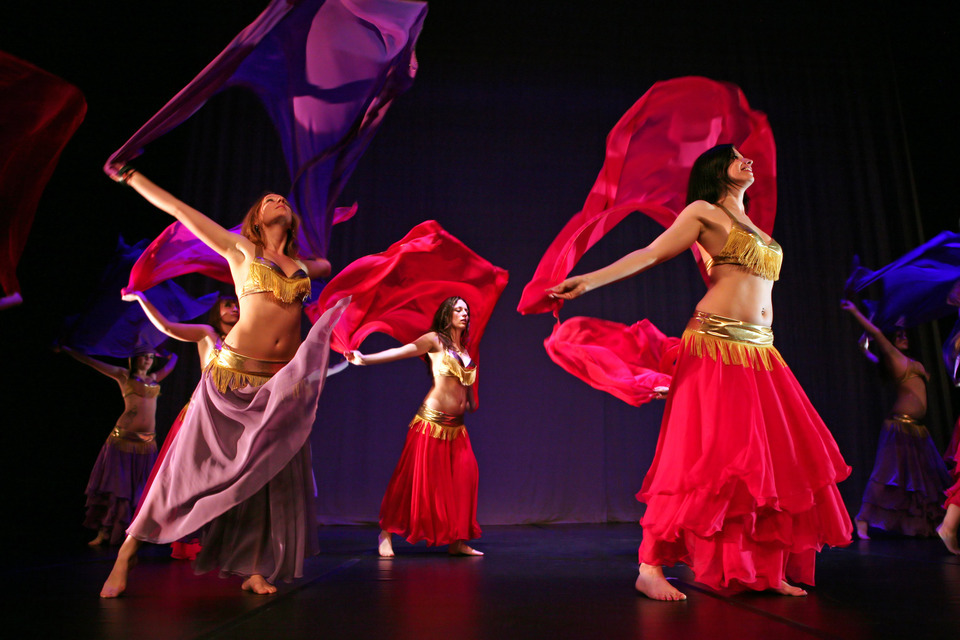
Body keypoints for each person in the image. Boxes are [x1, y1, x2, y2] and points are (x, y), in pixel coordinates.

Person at [549, 144, 852, 601]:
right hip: (714, 344)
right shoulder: (703, 211)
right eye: (735, 157)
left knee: (765, 461)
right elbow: (651, 253)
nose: (747, 160)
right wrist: (589, 280)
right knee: (703, 455)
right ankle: (649, 567)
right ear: (716, 170)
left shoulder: (755, 227)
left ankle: (766, 569)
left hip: (761, 351)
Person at [100, 165, 343, 598]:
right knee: (183, 470)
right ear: (255, 218)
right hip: (231, 381)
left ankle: (253, 566)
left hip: (280, 387)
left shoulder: (305, 266)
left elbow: (331, 265)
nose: (279, 201)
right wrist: (133, 176)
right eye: (270, 200)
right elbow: (179, 209)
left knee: (267, 477)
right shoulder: (241, 252)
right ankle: (129, 549)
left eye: (283, 200)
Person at [345, 296, 483, 557]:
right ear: (446, 315)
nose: (464, 313)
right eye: (458, 309)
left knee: (466, 478)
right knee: (411, 481)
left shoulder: (465, 350)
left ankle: (458, 541)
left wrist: (472, 400)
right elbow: (404, 350)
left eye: (466, 309)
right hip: (431, 423)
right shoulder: (434, 340)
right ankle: (386, 532)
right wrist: (366, 359)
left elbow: (468, 390)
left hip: (457, 427)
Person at [124, 290, 240, 559]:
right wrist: (142, 299)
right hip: (201, 413)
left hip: (231, 417)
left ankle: (221, 542)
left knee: (224, 482)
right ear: (217, 309)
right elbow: (166, 326)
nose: (234, 308)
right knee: (185, 478)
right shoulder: (205, 333)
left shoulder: (247, 337)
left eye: (237, 304)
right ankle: (154, 543)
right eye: (228, 304)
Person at [840, 300, 951, 538]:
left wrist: (891, 322)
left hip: (918, 430)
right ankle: (862, 518)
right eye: (898, 335)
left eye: (904, 334)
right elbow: (874, 336)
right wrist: (856, 312)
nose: (903, 337)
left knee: (924, 478)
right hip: (898, 427)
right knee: (885, 475)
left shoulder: (911, 362)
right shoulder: (895, 358)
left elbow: (866, 347)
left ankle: (936, 524)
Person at [60, 345, 177, 546]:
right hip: (122, 440)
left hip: (147, 443)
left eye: (150, 357)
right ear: (133, 359)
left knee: (141, 490)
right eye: (143, 356)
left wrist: (164, 352)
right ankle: (104, 531)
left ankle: (136, 534)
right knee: (116, 488)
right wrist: (67, 349)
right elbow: (91, 362)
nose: (148, 360)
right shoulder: (123, 376)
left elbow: (174, 360)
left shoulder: (154, 378)